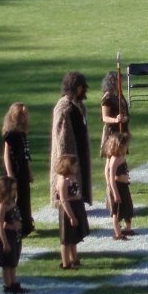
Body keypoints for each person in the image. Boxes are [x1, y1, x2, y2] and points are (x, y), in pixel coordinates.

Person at [50, 72, 93, 225]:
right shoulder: (63, 106)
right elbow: (60, 134)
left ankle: (79, 200)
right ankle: (68, 203)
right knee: (70, 178)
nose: (80, 90)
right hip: (68, 149)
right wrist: (63, 156)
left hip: (80, 146)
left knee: (81, 175)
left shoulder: (79, 105)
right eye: (78, 87)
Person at [1, 102, 35, 237]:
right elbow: (6, 156)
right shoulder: (10, 134)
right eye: (22, 114)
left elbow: (25, 154)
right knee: (13, 199)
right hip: (14, 170)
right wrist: (10, 175)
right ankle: (13, 225)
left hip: (22, 169)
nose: (25, 117)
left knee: (24, 197)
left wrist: (29, 171)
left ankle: (26, 225)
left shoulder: (22, 132)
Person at [0, 176, 26, 294]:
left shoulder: (12, 202)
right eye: (12, 189)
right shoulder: (2, 206)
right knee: (6, 264)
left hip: (15, 236)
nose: (14, 191)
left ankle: (13, 283)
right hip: (6, 237)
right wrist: (5, 243)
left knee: (13, 261)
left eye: (15, 189)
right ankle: (7, 285)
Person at [55, 154, 87, 269]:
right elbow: (63, 200)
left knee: (74, 237)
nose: (76, 168)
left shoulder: (72, 178)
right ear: (67, 167)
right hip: (68, 210)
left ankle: (74, 259)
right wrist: (71, 217)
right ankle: (65, 263)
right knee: (67, 239)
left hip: (77, 207)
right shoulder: (63, 181)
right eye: (74, 166)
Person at [104, 131, 134, 240]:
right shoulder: (114, 160)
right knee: (116, 212)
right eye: (126, 145)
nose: (127, 147)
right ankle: (118, 234)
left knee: (128, 207)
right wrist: (115, 194)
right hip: (117, 188)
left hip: (124, 187)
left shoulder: (122, 157)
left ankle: (127, 229)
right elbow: (111, 178)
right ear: (119, 146)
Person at [99, 70, 129, 159]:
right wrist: (116, 120)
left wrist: (125, 119)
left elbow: (125, 111)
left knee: (120, 156)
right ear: (113, 82)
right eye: (119, 81)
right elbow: (105, 117)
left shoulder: (119, 95)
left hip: (122, 129)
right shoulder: (107, 98)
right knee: (112, 157)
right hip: (112, 131)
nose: (121, 83)